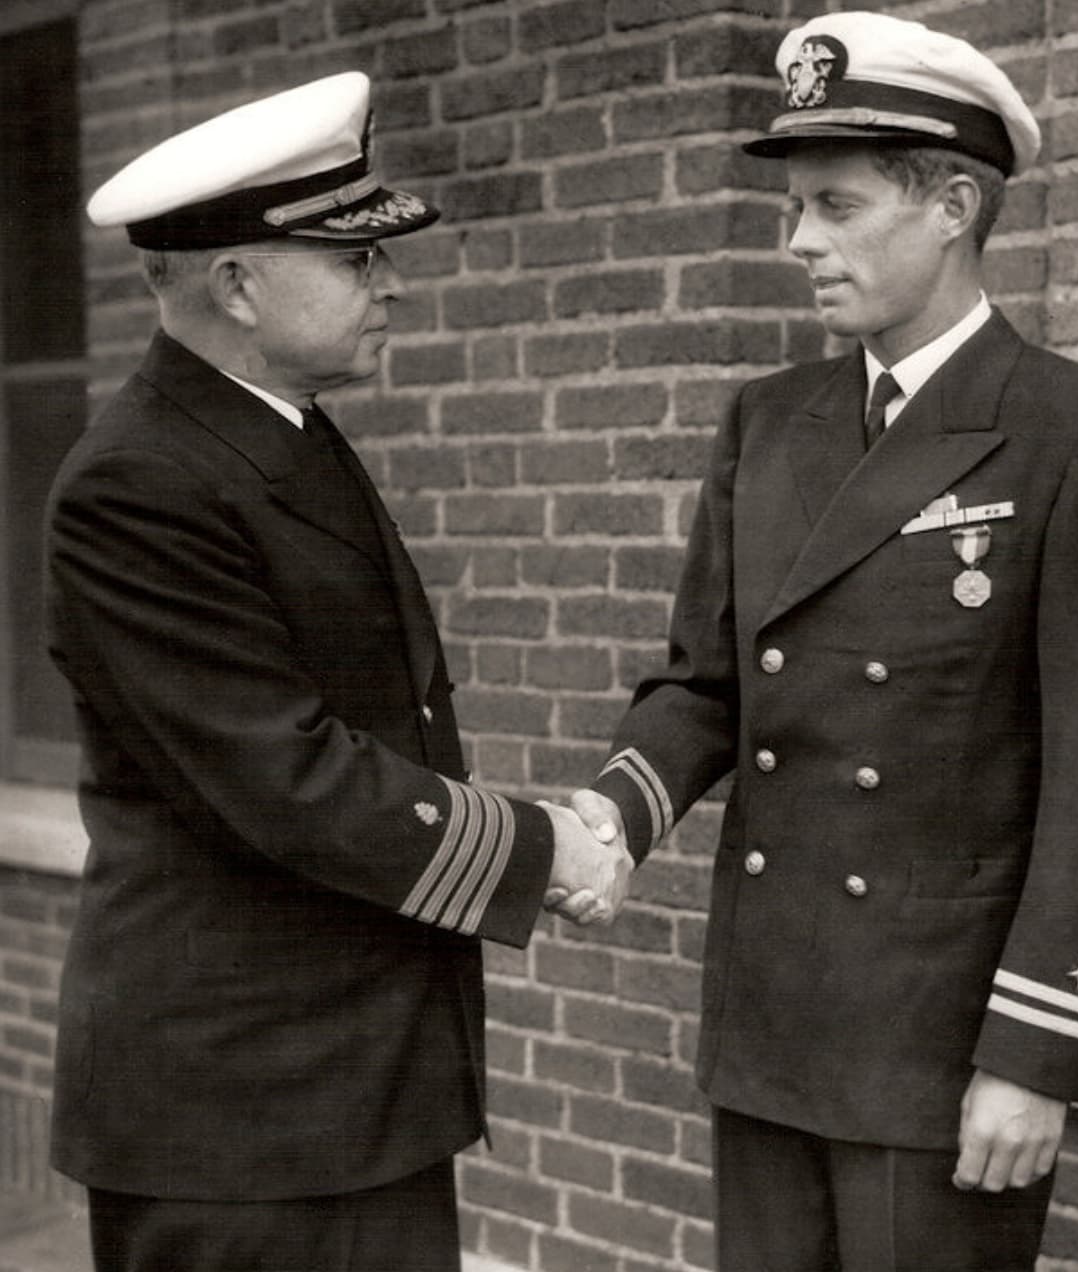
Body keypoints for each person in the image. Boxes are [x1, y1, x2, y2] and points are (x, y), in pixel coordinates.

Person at [565, 12, 1078, 1270]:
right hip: (770, 1016)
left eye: (836, 206)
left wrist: (1034, 1055)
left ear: (953, 204)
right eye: (795, 207)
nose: (800, 242)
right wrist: (614, 817)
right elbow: (706, 680)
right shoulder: (770, 421)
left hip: (937, 1042)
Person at [45, 71, 631, 1272]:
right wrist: (539, 847)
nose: (392, 284)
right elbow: (286, 776)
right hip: (241, 1116)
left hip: (341, 1090)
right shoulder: (137, 484)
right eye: (356, 262)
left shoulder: (271, 428)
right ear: (238, 284)